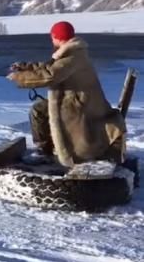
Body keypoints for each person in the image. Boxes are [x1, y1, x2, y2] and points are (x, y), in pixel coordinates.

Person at [7, 21, 126, 167]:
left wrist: (18, 77)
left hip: (78, 104)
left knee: (39, 111)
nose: (52, 40)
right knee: (38, 110)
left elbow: (51, 75)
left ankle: (49, 152)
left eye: (52, 37)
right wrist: (24, 67)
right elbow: (49, 66)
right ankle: (43, 149)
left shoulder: (74, 57)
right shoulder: (69, 53)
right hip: (73, 99)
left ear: (58, 37)